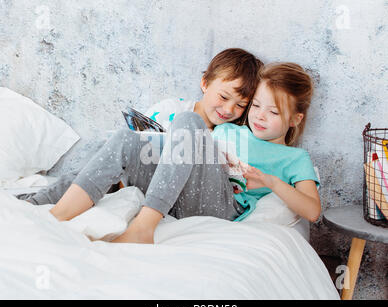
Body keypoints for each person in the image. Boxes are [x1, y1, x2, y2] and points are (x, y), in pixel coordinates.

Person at [20, 48, 264, 243]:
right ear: (205, 83)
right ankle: (40, 210)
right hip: (167, 195)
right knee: (122, 142)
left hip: (210, 203)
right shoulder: (170, 108)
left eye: (241, 105)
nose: (229, 109)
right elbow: (133, 153)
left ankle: (142, 229)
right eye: (224, 97)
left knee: (189, 121)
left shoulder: (235, 132)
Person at [212, 62, 321, 223]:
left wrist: (270, 182)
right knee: (188, 125)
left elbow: (313, 212)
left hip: (225, 205)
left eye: (274, 112)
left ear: (295, 119)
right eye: (255, 105)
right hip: (193, 191)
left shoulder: (295, 158)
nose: (260, 116)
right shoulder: (227, 131)